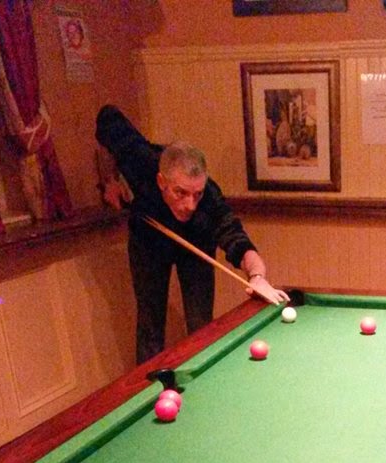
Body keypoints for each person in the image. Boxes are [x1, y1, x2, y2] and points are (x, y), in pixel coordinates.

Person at [95, 105, 288, 364]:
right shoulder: (140, 160)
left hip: (196, 243)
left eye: (197, 194)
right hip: (148, 239)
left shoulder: (210, 201)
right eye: (181, 193)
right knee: (150, 322)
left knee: (200, 323)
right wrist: (110, 180)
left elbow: (241, 244)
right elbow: (107, 116)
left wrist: (258, 277)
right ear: (161, 181)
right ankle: (146, 384)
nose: (190, 205)